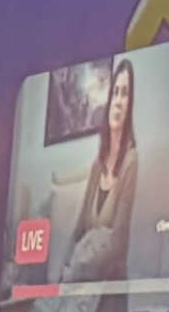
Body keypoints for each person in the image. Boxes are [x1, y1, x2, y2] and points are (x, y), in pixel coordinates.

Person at [60, 57, 142, 293]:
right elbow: (79, 230)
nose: (117, 101)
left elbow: (117, 243)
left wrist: (75, 271)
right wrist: (62, 275)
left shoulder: (132, 161)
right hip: (80, 282)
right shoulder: (98, 164)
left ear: (131, 104)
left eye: (124, 94)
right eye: (114, 92)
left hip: (107, 289)